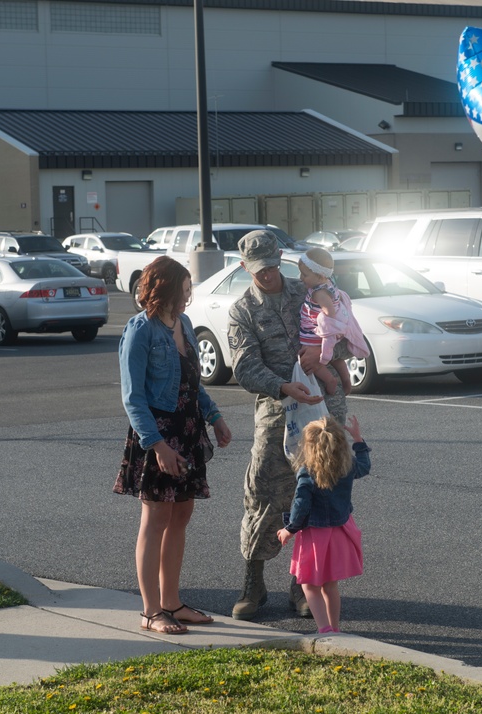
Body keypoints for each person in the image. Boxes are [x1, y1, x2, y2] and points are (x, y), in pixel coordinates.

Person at [228, 229, 348, 620]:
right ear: (245, 267)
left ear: (280, 257)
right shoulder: (243, 309)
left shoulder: (310, 291)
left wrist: (330, 364)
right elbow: (244, 366)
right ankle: (254, 583)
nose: (268, 274)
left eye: (273, 265)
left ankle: (304, 586)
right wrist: (283, 386)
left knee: (319, 494)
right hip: (278, 410)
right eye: (259, 269)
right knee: (262, 493)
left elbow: (340, 332)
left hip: (323, 409)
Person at [115, 255, 232, 635]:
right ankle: (151, 611)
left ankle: (172, 603)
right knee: (155, 520)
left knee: (181, 516)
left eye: (189, 290)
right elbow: (132, 397)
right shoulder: (140, 330)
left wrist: (215, 418)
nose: (189, 298)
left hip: (188, 429)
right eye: (184, 291)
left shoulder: (182, 323)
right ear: (163, 289)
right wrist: (158, 446)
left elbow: (192, 382)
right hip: (158, 434)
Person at [277, 415, 370, 634]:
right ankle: (335, 628)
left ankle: (324, 629)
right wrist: (357, 437)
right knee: (330, 585)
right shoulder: (348, 465)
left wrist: (289, 529)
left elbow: (301, 505)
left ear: (309, 447)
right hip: (340, 531)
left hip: (315, 536)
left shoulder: (307, 473)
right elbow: (365, 466)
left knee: (309, 584)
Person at [297, 247, 368, 396]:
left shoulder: (319, 292)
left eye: (305, 275)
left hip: (314, 332)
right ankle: (346, 378)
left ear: (320, 275)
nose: (300, 278)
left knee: (313, 360)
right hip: (328, 330)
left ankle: (329, 380)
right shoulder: (327, 284)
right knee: (337, 360)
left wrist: (328, 329)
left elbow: (329, 311)